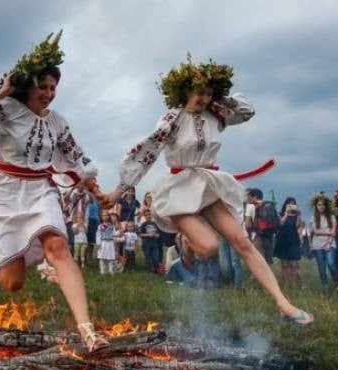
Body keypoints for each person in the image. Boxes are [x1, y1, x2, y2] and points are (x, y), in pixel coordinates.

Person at [100, 57, 313, 324]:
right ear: (185, 91)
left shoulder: (216, 115)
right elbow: (148, 150)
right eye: (199, 92)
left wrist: (223, 98)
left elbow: (248, 111)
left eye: (209, 93)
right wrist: (120, 190)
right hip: (178, 191)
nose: (204, 98)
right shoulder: (172, 118)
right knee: (210, 247)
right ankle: (183, 261)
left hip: (208, 185)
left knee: (242, 242)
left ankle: (284, 304)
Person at [0, 35, 108, 351]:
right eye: (43, 87)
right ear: (27, 85)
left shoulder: (57, 122)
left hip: (40, 189)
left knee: (58, 247)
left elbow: (74, 157)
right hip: (4, 192)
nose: (49, 94)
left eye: (53, 88)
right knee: (13, 283)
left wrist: (96, 189)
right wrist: (2, 91)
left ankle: (87, 331)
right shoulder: (3, 110)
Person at [309, 195, 338, 288]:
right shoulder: (313, 218)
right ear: (316, 206)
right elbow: (316, 232)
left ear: (326, 206)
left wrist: (329, 243)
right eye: (319, 205)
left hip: (330, 244)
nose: (321, 206)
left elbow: (333, 233)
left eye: (323, 205)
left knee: (331, 263)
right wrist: (328, 232)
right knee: (321, 267)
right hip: (317, 245)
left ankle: (337, 283)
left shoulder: (332, 217)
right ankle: (325, 286)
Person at [274, 197, 303, 286]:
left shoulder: (296, 215)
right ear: (285, 205)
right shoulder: (281, 214)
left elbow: (298, 226)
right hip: (282, 240)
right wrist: (286, 214)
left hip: (293, 240)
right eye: (289, 204)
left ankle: (293, 283)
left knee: (293, 264)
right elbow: (280, 224)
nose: (291, 206)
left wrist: (299, 214)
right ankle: (286, 283)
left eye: (293, 204)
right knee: (284, 264)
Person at [138, 209, 163, 274]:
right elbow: (140, 234)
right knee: (148, 258)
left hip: (155, 244)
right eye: (146, 215)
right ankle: (149, 271)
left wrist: (155, 235)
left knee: (156, 258)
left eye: (149, 214)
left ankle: (156, 270)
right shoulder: (143, 224)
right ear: (144, 216)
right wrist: (148, 235)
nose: (148, 216)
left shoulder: (155, 224)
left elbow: (159, 234)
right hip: (146, 244)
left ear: (151, 215)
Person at [95, 210, 117, 275]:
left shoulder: (112, 226)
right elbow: (98, 234)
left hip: (110, 242)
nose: (105, 217)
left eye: (106, 215)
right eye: (103, 215)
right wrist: (98, 243)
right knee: (102, 257)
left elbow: (114, 234)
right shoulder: (100, 226)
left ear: (108, 216)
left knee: (110, 257)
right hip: (103, 242)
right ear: (101, 217)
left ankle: (110, 270)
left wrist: (118, 235)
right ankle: (102, 270)